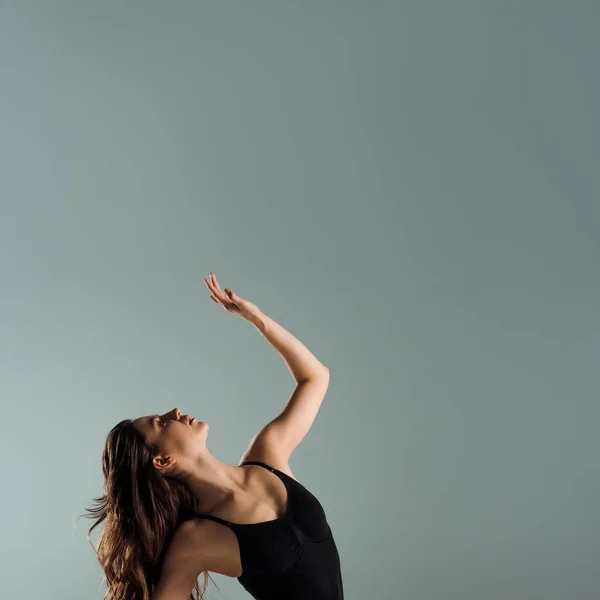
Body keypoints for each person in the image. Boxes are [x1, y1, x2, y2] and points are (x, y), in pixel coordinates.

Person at [82, 272, 343, 600]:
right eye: (161, 424)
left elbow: (315, 377)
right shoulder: (198, 538)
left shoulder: (267, 456)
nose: (174, 412)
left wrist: (256, 318)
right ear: (163, 461)